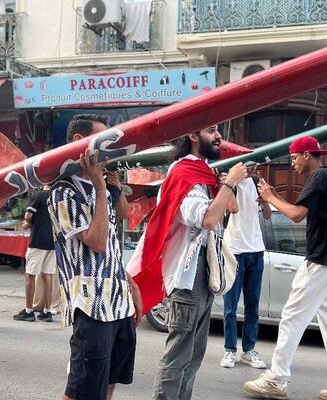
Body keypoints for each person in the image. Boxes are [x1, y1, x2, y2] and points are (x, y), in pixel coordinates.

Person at [128, 125, 247, 400]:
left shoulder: (204, 173)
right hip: (187, 275)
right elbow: (206, 219)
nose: (218, 137)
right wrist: (229, 183)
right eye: (212, 131)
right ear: (193, 136)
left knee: (195, 353)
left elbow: (231, 208)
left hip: (202, 272)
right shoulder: (184, 173)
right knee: (179, 354)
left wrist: (226, 182)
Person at [243, 136, 327, 400]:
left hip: (321, 260)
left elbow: (297, 214)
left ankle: (276, 379)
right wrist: (273, 196)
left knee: (291, 318)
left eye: (295, 157)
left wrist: (270, 197)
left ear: (307, 154)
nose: (293, 163)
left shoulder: (319, 177)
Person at [49, 114, 141, 400]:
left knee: (110, 379)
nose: (109, 152)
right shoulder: (63, 192)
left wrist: (129, 282)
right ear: (81, 142)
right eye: (104, 143)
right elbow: (97, 242)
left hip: (118, 300)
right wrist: (101, 188)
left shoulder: (98, 187)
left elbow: (112, 241)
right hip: (91, 303)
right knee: (82, 389)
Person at [220, 170, 271, 369]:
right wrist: (230, 184)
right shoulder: (228, 180)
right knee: (230, 306)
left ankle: (249, 350)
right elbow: (233, 208)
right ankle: (229, 350)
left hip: (256, 249)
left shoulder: (258, 182)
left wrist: (265, 201)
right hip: (234, 249)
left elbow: (267, 216)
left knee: (253, 305)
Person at [13, 185, 61, 322]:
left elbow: (28, 216)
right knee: (48, 275)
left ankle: (28, 310)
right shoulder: (57, 197)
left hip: (38, 241)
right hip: (52, 242)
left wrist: (28, 223)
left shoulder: (40, 195)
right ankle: (47, 311)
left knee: (30, 275)